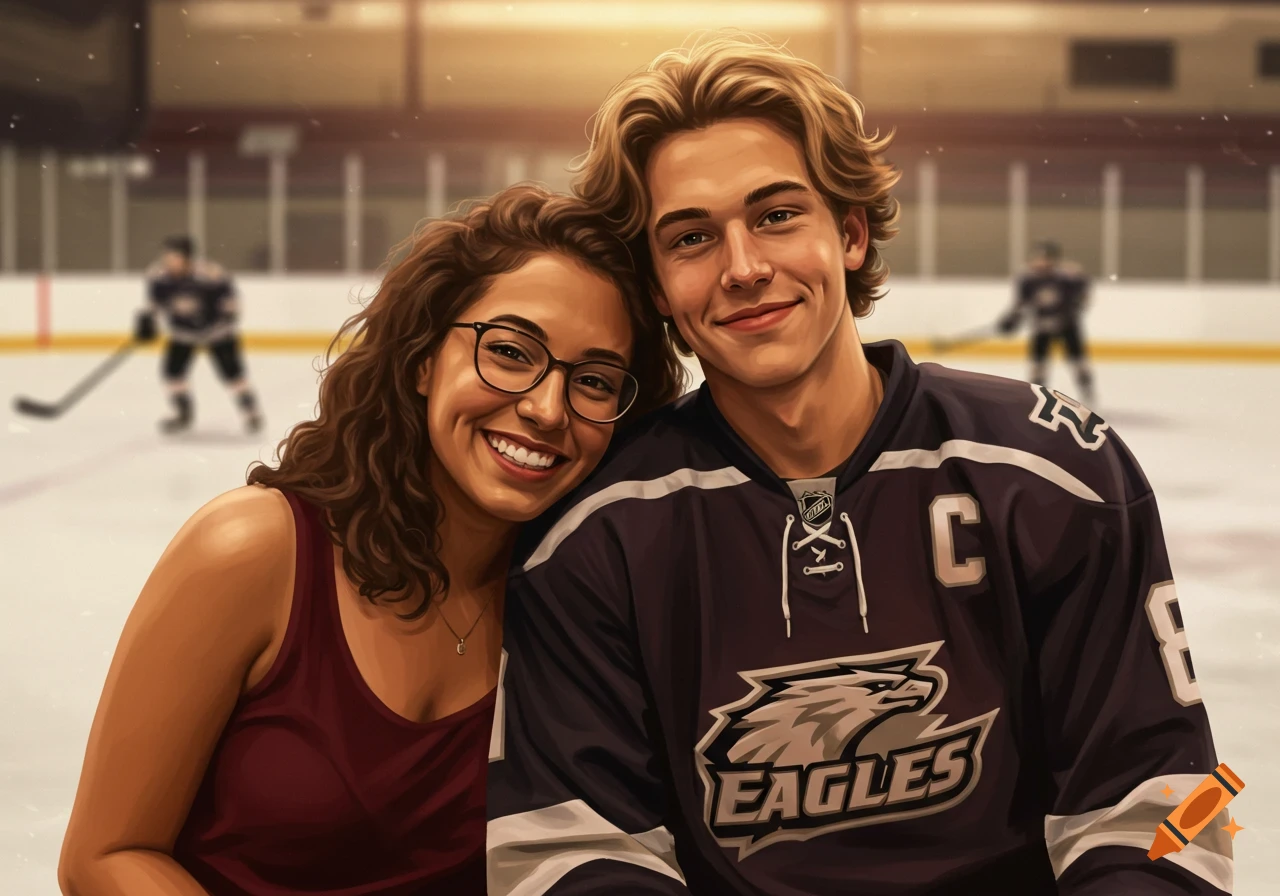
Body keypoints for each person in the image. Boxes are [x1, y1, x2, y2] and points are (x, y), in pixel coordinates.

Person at [486, 35, 1232, 896]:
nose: (744, 268)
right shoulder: (597, 530)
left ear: (847, 231)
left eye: (775, 215)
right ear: (657, 288)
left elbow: (1172, 804)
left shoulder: (1053, 470)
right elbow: (570, 849)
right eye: (691, 238)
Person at [57, 184, 685, 896]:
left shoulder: (578, 604)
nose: (545, 409)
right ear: (423, 359)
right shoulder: (254, 552)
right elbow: (106, 857)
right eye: (510, 352)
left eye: (595, 381)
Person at [133, 235, 264, 435]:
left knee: (233, 374)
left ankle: (251, 412)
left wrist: (227, 316)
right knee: (172, 373)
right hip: (183, 333)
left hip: (216, 332)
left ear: (187, 257)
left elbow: (230, 300)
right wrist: (147, 320)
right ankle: (183, 413)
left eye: (173, 256)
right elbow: (155, 303)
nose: (168, 260)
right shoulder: (159, 275)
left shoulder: (209, 274)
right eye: (166, 256)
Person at [998, 240, 1095, 405]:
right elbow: (1021, 303)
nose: (1040, 262)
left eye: (1045, 258)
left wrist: (1067, 314)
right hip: (1041, 327)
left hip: (1067, 326)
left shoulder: (1068, 278)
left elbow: (1082, 298)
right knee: (1038, 364)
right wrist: (1012, 318)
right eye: (1038, 258)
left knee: (1078, 362)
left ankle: (1088, 396)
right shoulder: (1028, 280)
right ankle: (1037, 399)